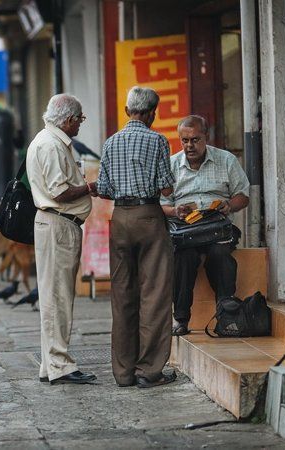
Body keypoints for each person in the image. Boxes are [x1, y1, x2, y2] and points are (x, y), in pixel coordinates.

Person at [92, 86, 177, 388]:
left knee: (122, 295)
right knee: (154, 294)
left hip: (120, 219)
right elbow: (166, 188)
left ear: (127, 111)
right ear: (152, 113)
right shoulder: (158, 140)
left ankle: (123, 372)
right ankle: (149, 371)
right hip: (149, 216)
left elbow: (104, 190)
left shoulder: (110, 142)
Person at [26, 93, 96, 385]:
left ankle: (51, 364)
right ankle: (60, 365)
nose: (80, 124)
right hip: (58, 224)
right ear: (68, 119)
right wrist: (90, 187)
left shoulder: (47, 140)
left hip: (57, 224)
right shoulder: (52, 145)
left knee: (54, 296)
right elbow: (60, 192)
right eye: (80, 119)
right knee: (58, 298)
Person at [161, 115, 250, 336]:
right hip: (186, 230)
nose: (189, 145)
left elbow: (243, 196)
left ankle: (226, 315)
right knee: (182, 258)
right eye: (184, 140)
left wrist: (229, 205)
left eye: (195, 139)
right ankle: (181, 319)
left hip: (217, 227)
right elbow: (162, 204)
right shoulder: (171, 165)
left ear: (206, 137)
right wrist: (175, 211)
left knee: (220, 256)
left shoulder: (226, 160)